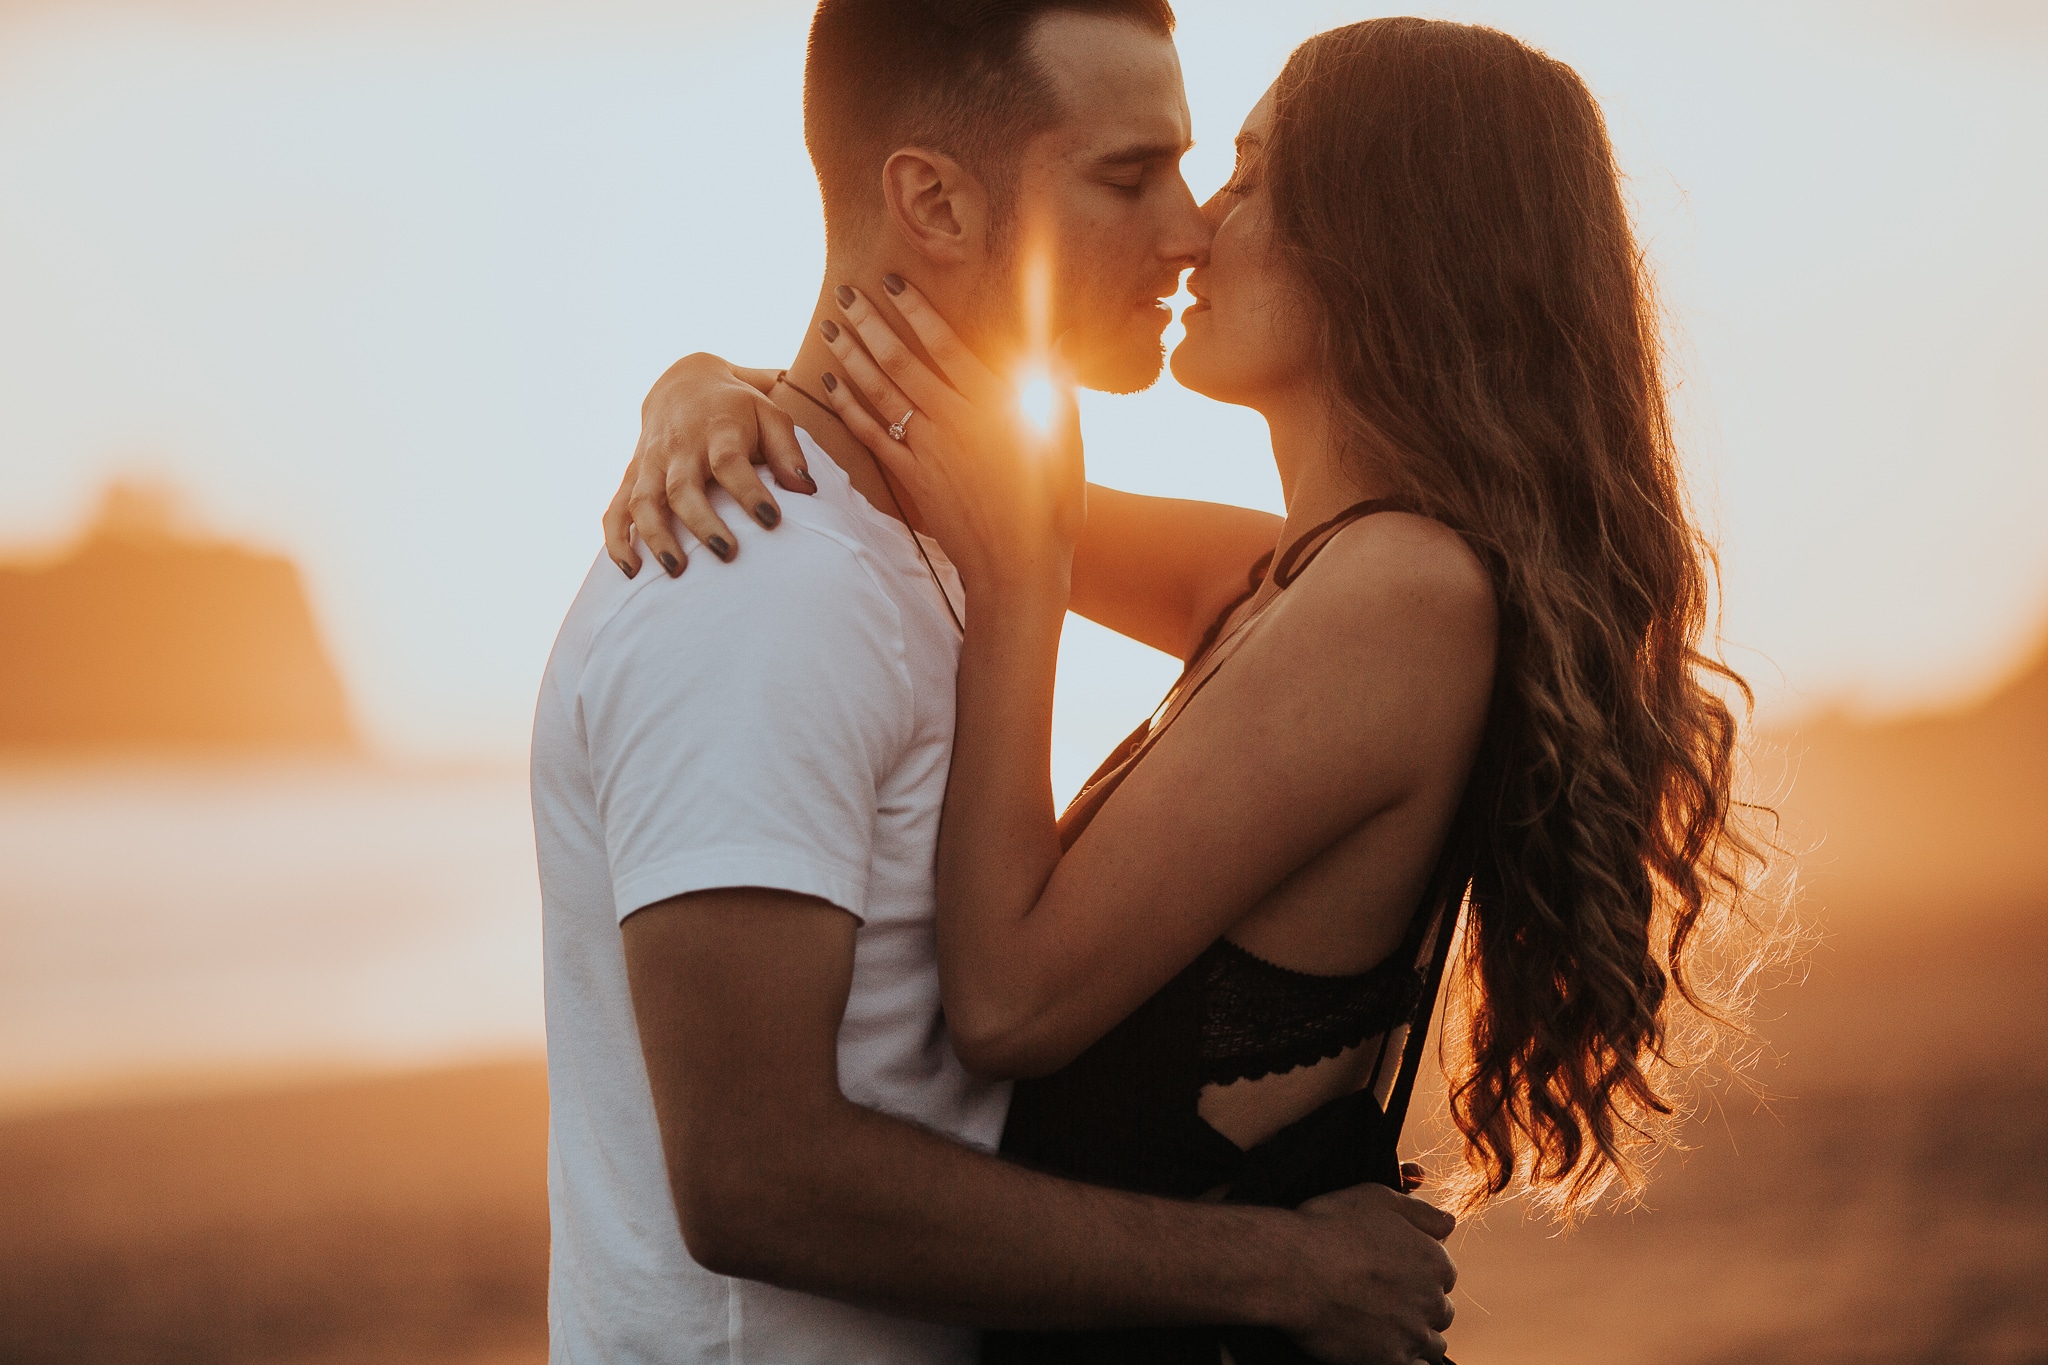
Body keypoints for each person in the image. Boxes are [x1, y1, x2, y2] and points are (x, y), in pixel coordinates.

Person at [612, 14, 1783, 1365]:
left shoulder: (1402, 598)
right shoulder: (1296, 576)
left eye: (1244, 175)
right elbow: (918, 457)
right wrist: (693, 389)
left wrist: (1018, 599)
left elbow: (1006, 1004)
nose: (1193, 226)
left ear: (1385, 241)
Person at [531, 4, 1459, 1365]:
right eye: (1129, 175)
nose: (1193, 227)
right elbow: (752, 1174)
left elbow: (1286, 589)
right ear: (933, 202)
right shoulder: (758, 581)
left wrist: (708, 376)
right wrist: (1285, 1267)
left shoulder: (958, 534)